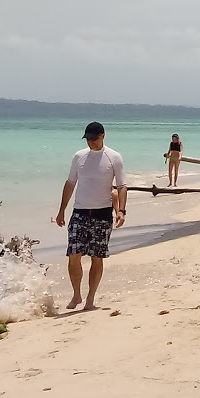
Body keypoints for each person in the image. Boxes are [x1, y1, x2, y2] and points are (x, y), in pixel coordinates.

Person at [53, 121, 126, 311]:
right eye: (88, 139)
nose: (90, 143)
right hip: (80, 212)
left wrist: (121, 211)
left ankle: (90, 298)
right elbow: (70, 183)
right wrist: (61, 210)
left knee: (96, 256)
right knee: (73, 254)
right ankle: (76, 295)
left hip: (102, 214)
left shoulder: (114, 157)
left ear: (102, 136)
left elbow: (121, 186)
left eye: (93, 139)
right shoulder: (79, 157)